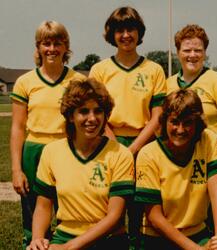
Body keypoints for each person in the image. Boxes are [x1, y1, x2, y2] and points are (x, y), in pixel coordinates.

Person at [89, 7, 166, 249]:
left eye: (130, 29)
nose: (125, 35)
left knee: (141, 208)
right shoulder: (100, 70)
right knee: (109, 205)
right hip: (107, 142)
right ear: (111, 34)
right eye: (119, 30)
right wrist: (115, 145)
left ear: (139, 32)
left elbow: (158, 115)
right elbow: (95, 113)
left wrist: (133, 148)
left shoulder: (154, 70)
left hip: (144, 143)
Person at [27, 79, 134, 250]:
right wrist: (38, 239)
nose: (92, 119)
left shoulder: (120, 154)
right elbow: (43, 205)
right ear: (70, 116)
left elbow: (115, 216)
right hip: (64, 237)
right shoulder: (51, 151)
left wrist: (69, 248)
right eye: (83, 111)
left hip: (109, 240)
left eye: (98, 111)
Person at [10, 20, 86, 249]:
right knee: (34, 213)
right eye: (46, 43)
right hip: (35, 150)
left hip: (67, 149)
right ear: (38, 47)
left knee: (69, 207)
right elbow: (18, 127)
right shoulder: (25, 82)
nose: (51, 49)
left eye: (57, 43)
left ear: (66, 47)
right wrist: (16, 169)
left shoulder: (78, 81)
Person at [135, 89, 217, 250]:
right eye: (174, 122)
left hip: (197, 233)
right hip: (157, 238)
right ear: (164, 121)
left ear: (197, 123)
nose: (180, 129)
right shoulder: (149, 154)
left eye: (187, 123)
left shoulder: (207, 141)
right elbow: (155, 217)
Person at [166, 24, 217, 160]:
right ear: (178, 52)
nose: (192, 55)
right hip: (175, 162)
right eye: (187, 50)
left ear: (204, 53)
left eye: (198, 50)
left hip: (209, 159)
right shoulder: (167, 84)